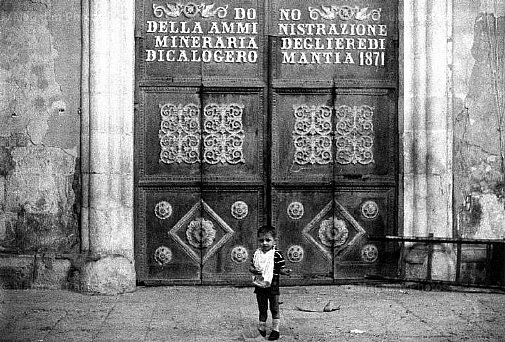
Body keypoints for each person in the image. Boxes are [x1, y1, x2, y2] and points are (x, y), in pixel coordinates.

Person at [250, 225, 292, 340]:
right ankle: (262, 327)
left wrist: (286, 271)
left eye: (268, 240)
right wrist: (253, 270)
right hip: (260, 284)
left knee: (274, 307)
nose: (264, 243)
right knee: (262, 307)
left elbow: (280, 269)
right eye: (261, 240)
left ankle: (275, 330)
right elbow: (252, 267)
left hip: (272, 285)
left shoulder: (276, 254)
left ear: (274, 241)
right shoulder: (256, 254)